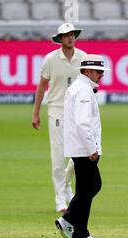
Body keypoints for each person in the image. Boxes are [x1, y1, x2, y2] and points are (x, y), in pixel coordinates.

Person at [55, 54, 110, 238]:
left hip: (79, 147)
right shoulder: (84, 90)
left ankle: (70, 221)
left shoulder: (79, 87)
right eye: (98, 71)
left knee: (92, 186)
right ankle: (79, 233)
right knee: (87, 189)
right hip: (84, 148)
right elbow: (82, 122)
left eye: (102, 71)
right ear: (87, 71)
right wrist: (91, 148)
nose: (101, 75)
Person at [32, 23, 87, 213]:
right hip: (56, 110)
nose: (70, 38)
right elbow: (41, 86)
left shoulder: (82, 57)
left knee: (78, 155)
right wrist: (36, 112)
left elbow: (88, 84)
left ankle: (67, 187)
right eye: (66, 35)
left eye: (73, 35)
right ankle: (59, 199)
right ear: (60, 39)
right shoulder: (51, 59)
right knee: (57, 157)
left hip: (78, 112)